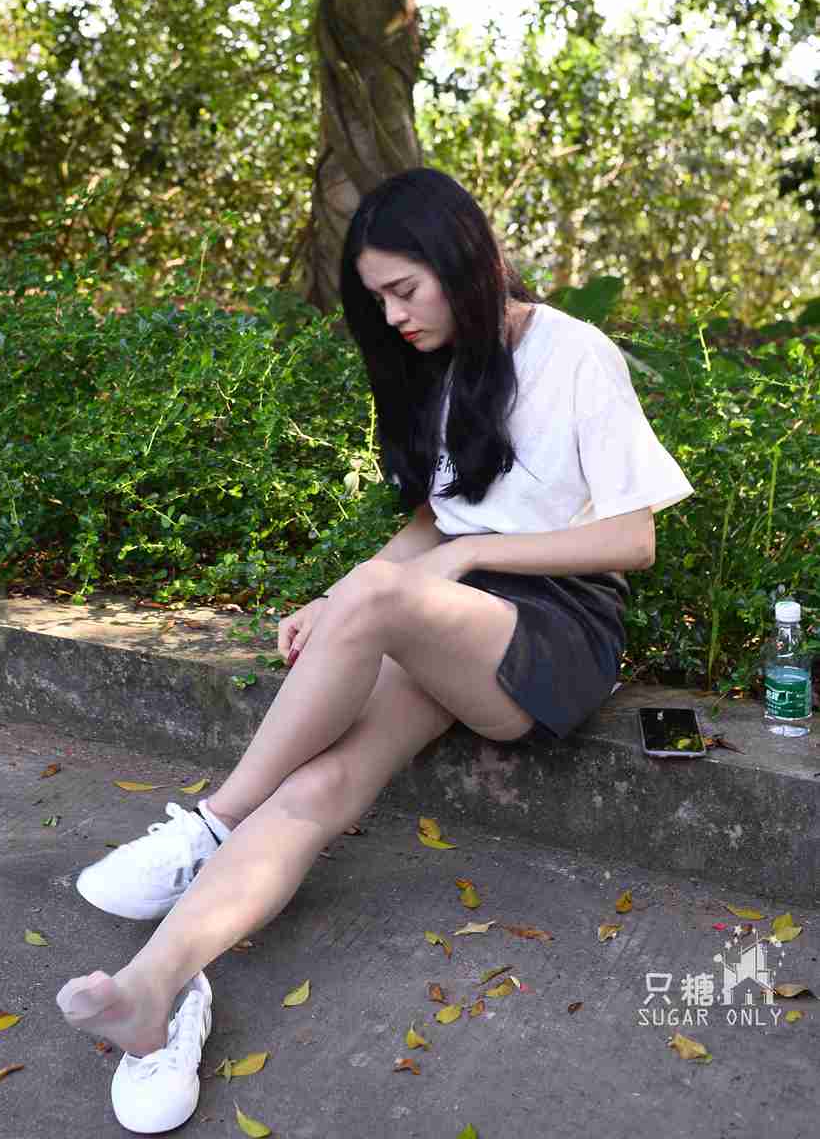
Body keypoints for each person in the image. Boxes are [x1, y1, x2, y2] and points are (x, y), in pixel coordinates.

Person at [56, 166, 694, 1133]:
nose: (393, 317)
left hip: (555, 630)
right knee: (318, 787)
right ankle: (156, 991)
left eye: (405, 290)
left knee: (379, 597)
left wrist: (460, 560)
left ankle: (213, 822)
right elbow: (437, 522)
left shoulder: (574, 352)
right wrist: (340, 597)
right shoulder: (443, 370)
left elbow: (632, 539)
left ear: (462, 260)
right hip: (451, 616)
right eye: (378, 300)